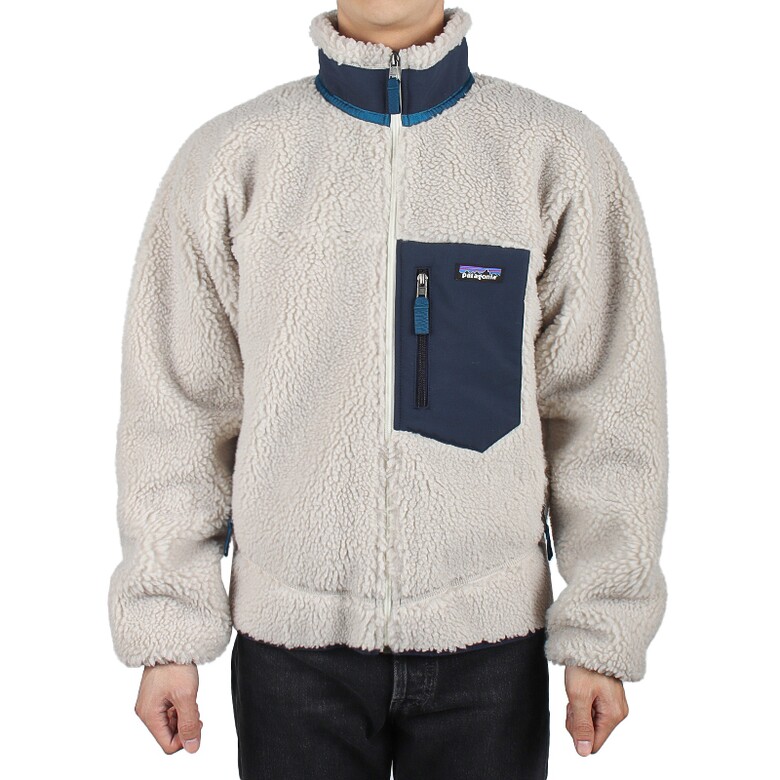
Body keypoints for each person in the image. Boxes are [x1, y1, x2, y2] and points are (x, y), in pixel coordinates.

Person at [107, 3, 669, 778]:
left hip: (492, 643)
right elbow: (176, 411)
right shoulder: (233, 159)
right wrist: (168, 632)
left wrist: (602, 633)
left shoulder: (552, 153)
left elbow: (607, 407)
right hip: (290, 650)